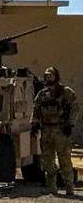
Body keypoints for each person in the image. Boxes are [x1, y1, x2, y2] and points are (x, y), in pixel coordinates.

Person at [33, 66, 77, 196]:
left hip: (61, 130)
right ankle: (51, 187)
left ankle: (69, 188)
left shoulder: (66, 92)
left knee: (65, 160)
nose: (48, 78)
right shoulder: (42, 94)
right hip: (46, 130)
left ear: (56, 76)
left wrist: (70, 124)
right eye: (46, 76)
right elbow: (36, 108)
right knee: (48, 161)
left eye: (51, 75)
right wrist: (34, 124)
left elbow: (75, 108)